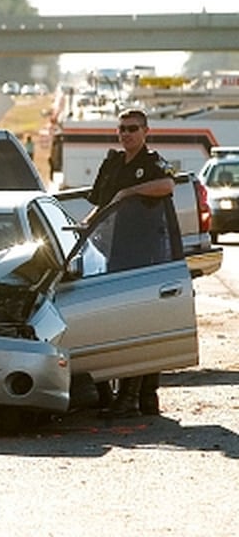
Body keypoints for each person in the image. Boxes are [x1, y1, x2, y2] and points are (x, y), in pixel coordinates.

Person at [85, 108, 175, 418]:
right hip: (115, 254)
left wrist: (130, 191)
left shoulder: (151, 163)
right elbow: (100, 206)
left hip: (145, 256)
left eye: (133, 129)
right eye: (122, 129)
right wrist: (83, 231)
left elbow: (167, 185)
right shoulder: (111, 164)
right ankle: (144, 397)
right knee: (122, 324)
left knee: (139, 325)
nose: (126, 134)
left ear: (146, 132)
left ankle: (133, 396)